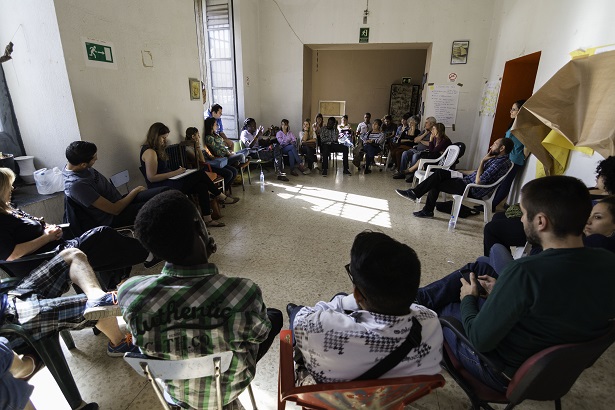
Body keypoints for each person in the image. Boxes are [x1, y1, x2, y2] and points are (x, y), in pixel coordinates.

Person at [439, 176, 615, 392]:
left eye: (523, 213)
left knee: (445, 310)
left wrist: (468, 298)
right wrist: (505, 290)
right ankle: (417, 298)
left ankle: (412, 311)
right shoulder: (608, 262)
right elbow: (558, 303)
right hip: (557, 375)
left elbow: (479, 340)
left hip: (502, 372)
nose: (521, 219)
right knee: (482, 266)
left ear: (541, 221)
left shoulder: (524, 272)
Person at [118, 190, 282, 409]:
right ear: (199, 228)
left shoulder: (130, 292)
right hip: (228, 390)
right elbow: (260, 335)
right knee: (273, 317)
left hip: (176, 392)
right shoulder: (244, 291)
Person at [287, 231, 443, 383]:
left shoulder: (321, 329)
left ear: (357, 294)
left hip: (334, 398)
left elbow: (300, 318)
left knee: (297, 310)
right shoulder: (430, 320)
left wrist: (342, 301)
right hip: (393, 398)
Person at [0, 168, 160, 281]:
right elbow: (12, 255)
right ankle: (147, 253)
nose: (13, 188)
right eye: (9, 185)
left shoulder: (9, 209)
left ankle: (119, 278)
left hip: (56, 248)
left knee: (107, 246)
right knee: (102, 235)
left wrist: (46, 228)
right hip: (46, 260)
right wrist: (47, 237)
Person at [1, 248, 140, 359]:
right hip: (9, 321)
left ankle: (97, 297)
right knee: (90, 307)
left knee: (72, 254)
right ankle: (118, 343)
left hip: (11, 295)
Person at [482, 155, 615, 256]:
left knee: (492, 229)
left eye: (601, 174)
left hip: (554, 227)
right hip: (547, 218)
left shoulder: (606, 203)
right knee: (498, 217)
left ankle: (496, 273)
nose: (598, 177)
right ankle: (497, 264)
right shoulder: (590, 190)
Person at [63, 141, 169, 233]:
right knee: (161, 206)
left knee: (166, 192)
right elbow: (115, 209)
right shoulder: (77, 185)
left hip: (120, 201)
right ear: (83, 165)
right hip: (114, 217)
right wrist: (135, 191)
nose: (97, 159)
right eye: (94, 159)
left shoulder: (79, 165)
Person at [140, 122, 230, 227]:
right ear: (155, 136)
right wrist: (175, 173)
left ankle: (208, 219)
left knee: (202, 186)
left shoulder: (156, 149)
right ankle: (219, 195)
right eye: (163, 138)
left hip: (169, 180)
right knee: (200, 174)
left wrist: (178, 172)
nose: (165, 141)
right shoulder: (150, 152)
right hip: (161, 186)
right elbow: (152, 178)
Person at [396, 138, 513, 218]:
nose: (492, 146)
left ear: (502, 148)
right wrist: (461, 171)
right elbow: (477, 172)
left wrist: (482, 161)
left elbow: (478, 181)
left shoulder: (500, 163)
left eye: (495, 144)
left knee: (435, 181)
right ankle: (417, 196)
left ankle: (422, 204)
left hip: (471, 188)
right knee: (440, 173)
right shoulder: (497, 159)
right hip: (466, 180)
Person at [491, 99, 528, 210]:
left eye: (513, 109)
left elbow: (528, 144)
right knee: (500, 180)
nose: (511, 111)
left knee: (506, 182)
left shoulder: (524, 127)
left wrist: (523, 156)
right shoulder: (514, 123)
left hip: (515, 159)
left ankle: (492, 205)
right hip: (508, 157)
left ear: (520, 111)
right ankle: (490, 203)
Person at [185, 126, 239, 200]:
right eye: (198, 135)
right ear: (193, 136)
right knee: (229, 173)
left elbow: (207, 155)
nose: (199, 137)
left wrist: (212, 156)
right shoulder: (188, 149)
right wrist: (198, 148)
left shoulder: (198, 145)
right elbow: (202, 161)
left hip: (211, 163)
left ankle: (223, 191)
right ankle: (220, 194)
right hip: (206, 167)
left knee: (234, 171)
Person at [239, 117, 289, 181]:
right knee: (277, 153)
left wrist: (270, 135)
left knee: (277, 146)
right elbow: (249, 146)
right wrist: (257, 136)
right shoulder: (244, 133)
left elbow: (263, 143)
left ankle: (280, 172)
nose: (255, 127)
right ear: (248, 126)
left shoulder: (254, 132)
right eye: (253, 125)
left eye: (255, 125)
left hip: (260, 150)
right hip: (253, 153)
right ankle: (280, 173)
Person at [203, 117, 241, 189]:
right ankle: (221, 192)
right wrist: (228, 153)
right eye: (215, 124)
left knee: (234, 171)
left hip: (225, 156)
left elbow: (223, 146)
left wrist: (228, 151)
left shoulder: (216, 135)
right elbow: (217, 151)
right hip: (220, 159)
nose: (217, 126)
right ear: (211, 126)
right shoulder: (209, 138)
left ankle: (225, 190)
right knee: (239, 158)